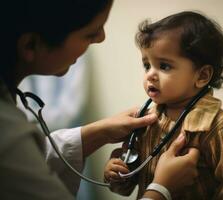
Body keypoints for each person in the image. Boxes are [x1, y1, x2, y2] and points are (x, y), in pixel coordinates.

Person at [0, 1, 200, 199]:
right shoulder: (7, 132)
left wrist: (98, 133)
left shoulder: (215, 125)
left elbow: (33, 161)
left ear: (202, 76)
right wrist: (160, 189)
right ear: (30, 45)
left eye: (164, 66)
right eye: (90, 33)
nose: (101, 38)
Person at [104, 11, 223, 199]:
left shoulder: (219, 127)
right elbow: (125, 188)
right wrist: (117, 174)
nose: (150, 75)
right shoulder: (144, 121)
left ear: (202, 76)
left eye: (164, 66)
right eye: (147, 65)